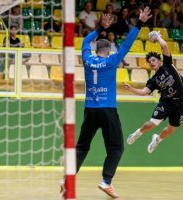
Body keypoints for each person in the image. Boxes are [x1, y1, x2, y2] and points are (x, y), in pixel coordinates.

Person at [60, 7, 152, 199]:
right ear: (109, 50)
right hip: (108, 110)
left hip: (90, 110)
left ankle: (67, 179)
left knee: (82, 147)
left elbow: (85, 41)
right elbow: (128, 42)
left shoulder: (87, 59)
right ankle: (106, 181)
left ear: (96, 49)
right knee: (116, 148)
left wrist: (100, 28)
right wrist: (140, 22)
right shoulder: (112, 61)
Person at [123, 32, 183, 154]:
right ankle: (137, 133)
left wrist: (158, 37)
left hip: (181, 102)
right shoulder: (153, 80)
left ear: (159, 60)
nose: (151, 62)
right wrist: (131, 89)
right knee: (151, 124)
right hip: (166, 102)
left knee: (171, 130)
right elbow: (144, 92)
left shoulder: (168, 65)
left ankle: (157, 139)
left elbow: (164, 47)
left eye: (153, 60)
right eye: (149, 61)